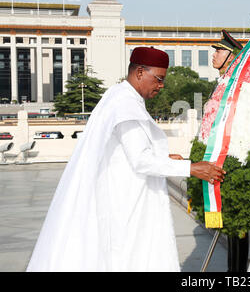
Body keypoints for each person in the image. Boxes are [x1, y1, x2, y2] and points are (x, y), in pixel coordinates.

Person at [27, 47, 225, 272]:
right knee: (130, 257)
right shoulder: (125, 104)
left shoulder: (120, 94)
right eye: (158, 79)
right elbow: (141, 160)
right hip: (125, 201)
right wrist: (191, 168)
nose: (161, 86)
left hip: (122, 192)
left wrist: (163, 156)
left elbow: (127, 149)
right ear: (140, 72)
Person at [211, 30, 249, 272]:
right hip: (221, 162)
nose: (214, 54)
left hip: (235, 162)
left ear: (232, 56)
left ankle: (238, 273)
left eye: (219, 50)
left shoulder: (237, 87)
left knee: (239, 226)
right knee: (230, 226)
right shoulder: (223, 83)